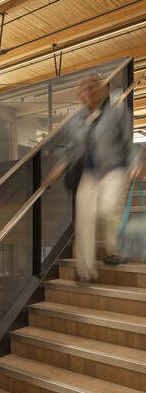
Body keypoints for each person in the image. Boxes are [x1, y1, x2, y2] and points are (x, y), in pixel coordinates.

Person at [50, 75, 143, 281]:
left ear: (101, 90)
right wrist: (61, 165)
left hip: (116, 169)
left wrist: (137, 161)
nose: (88, 93)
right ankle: (85, 270)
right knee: (84, 216)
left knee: (108, 209)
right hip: (89, 172)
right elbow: (69, 147)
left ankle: (116, 248)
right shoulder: (77, 119)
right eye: (83, 90)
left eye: (92, 88)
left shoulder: (118, 111)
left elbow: (129, 143)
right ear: (80, 95)